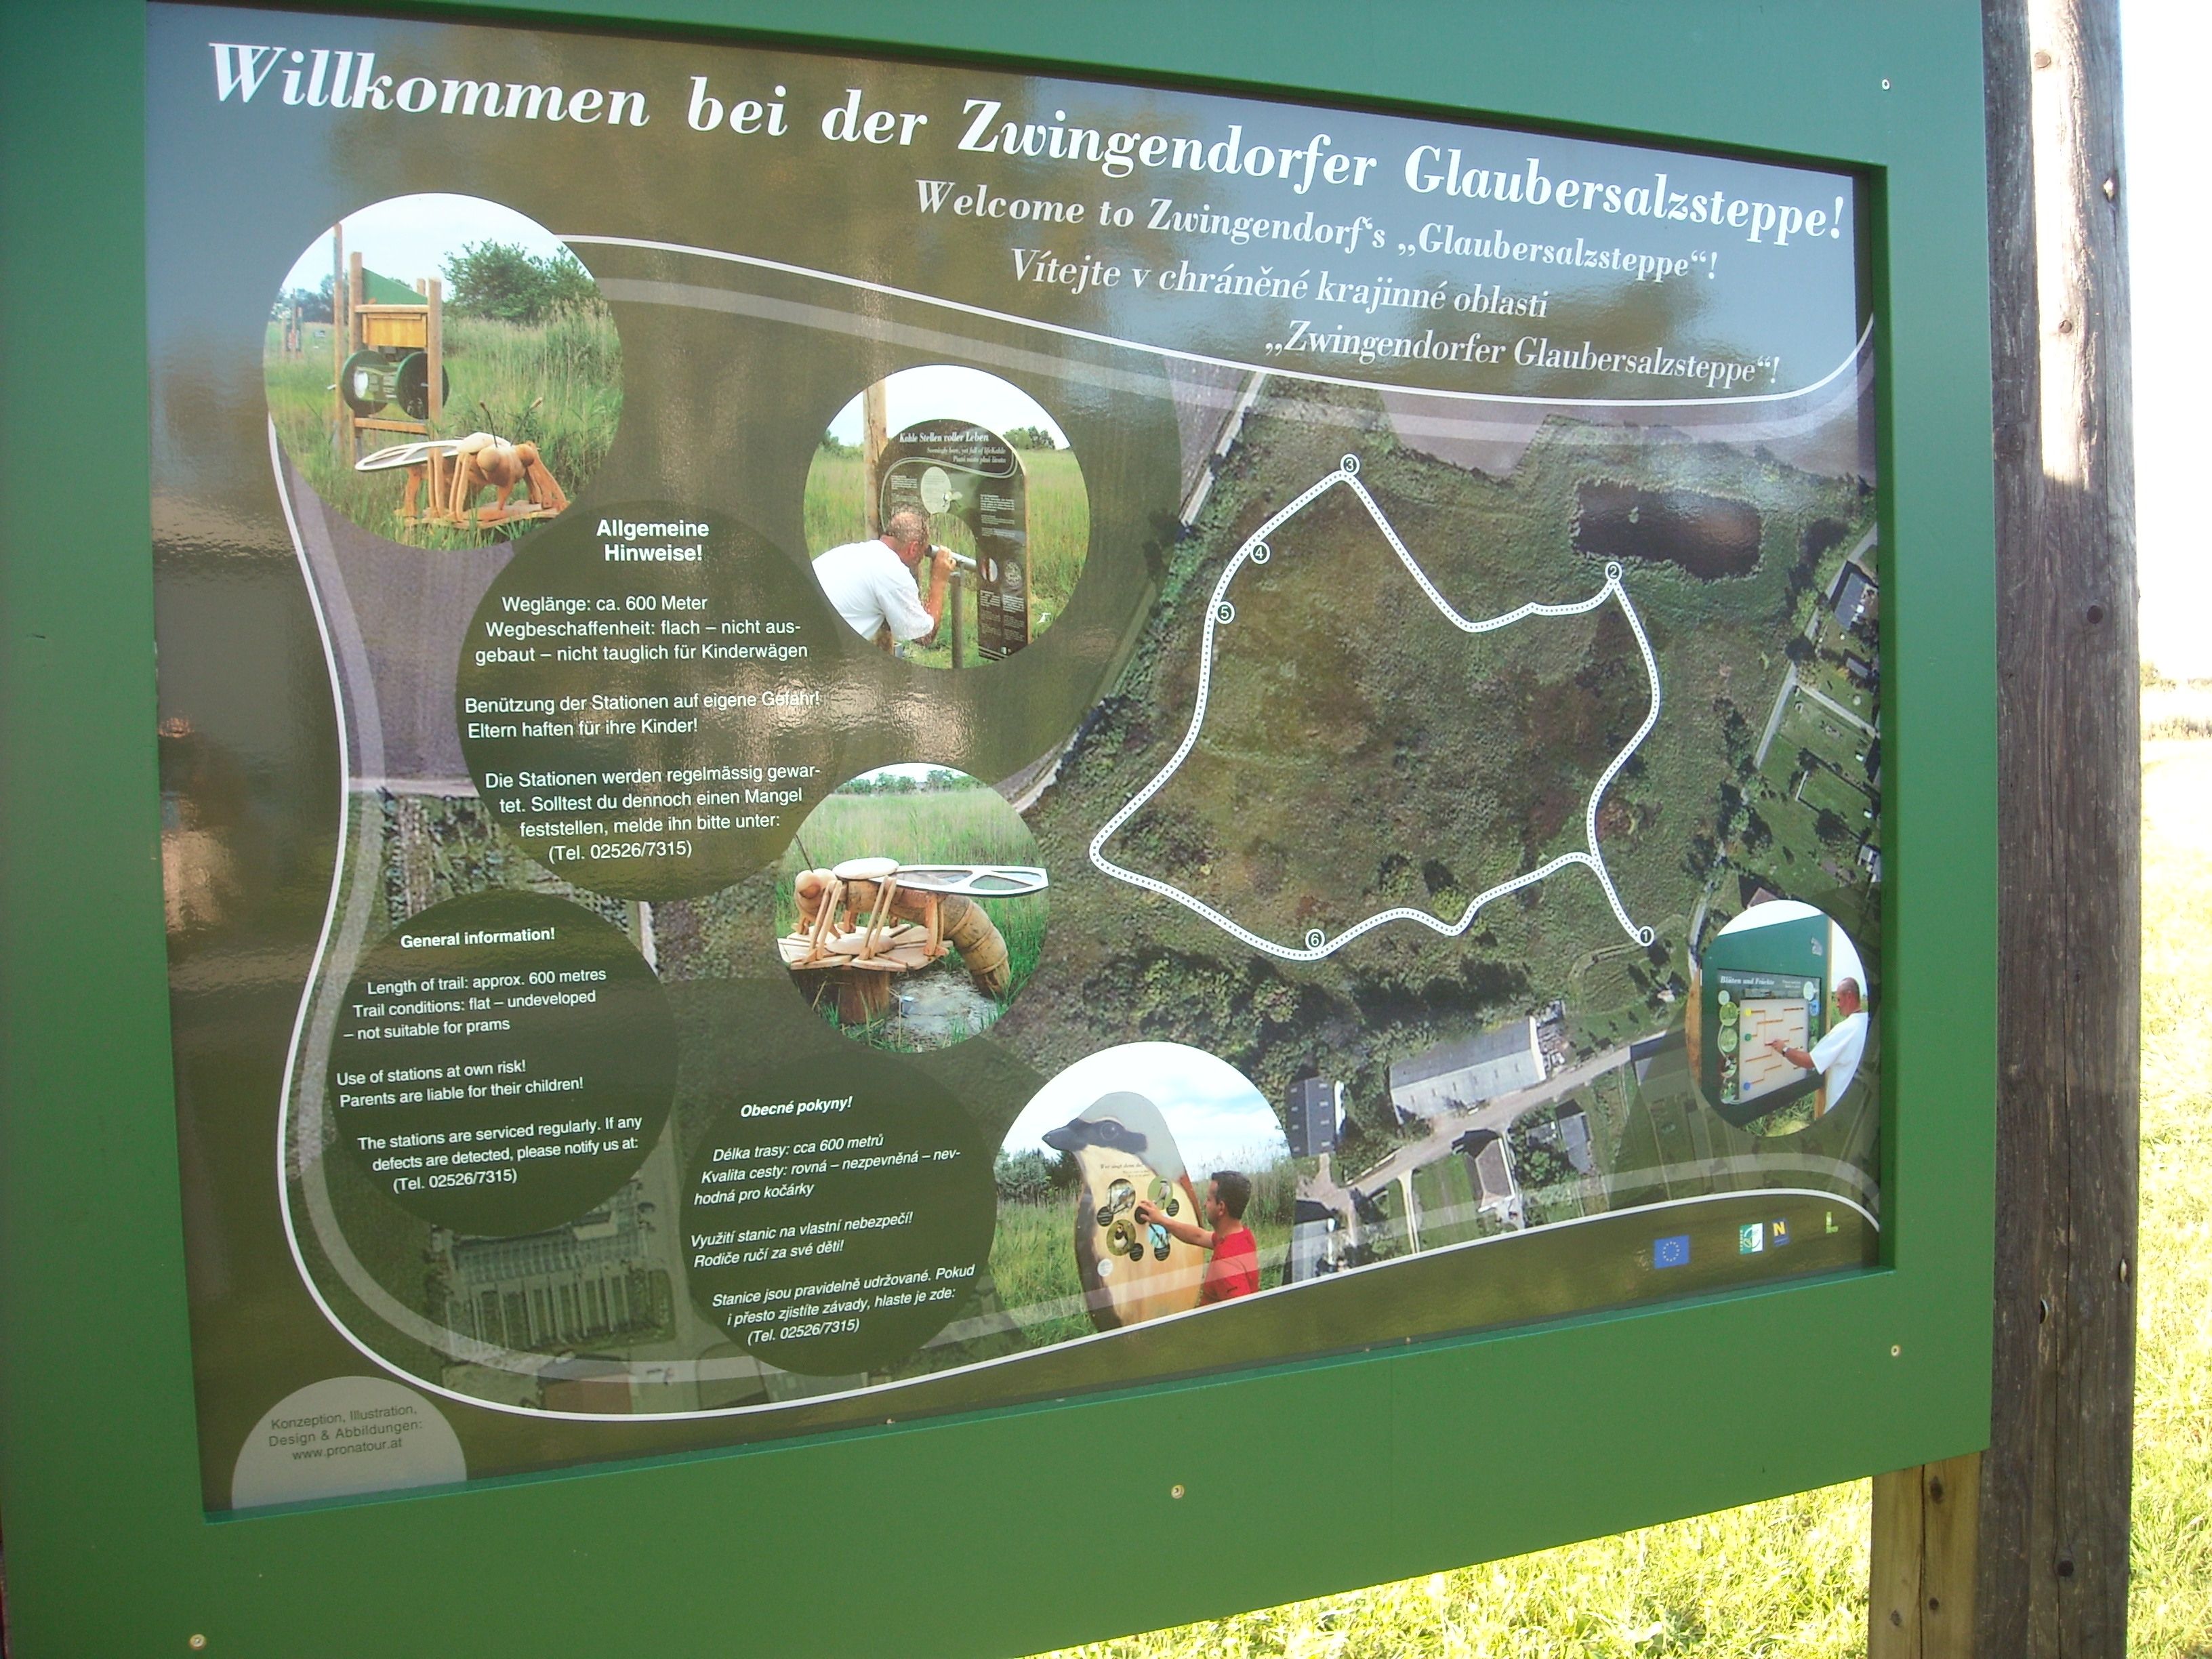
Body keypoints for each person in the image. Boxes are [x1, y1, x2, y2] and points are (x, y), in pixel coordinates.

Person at [811, 507, 956, 652]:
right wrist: (939, 581)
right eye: (922, 552)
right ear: (913, 548)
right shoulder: (893, 572)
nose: (922, 559)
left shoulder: (852, 552)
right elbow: (924, 636)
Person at [1136, 1169, 1260, 1304]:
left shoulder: (1225, 1264)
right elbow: (1198, 1236)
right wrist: (1161, 1220)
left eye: (1209, 1200)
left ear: (1221, 1208)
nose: (1205, 1204)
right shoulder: (1243, 1237)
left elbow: (1243, 1311)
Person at [1767, 976, 1869, 1113]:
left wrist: (1784, 1049)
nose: (1837, 1005)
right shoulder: (1867, 1022)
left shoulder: (1846, 1029)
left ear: (1849, 997)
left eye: (1839, 999)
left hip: (1839, 1114)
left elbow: (1810, 1061)